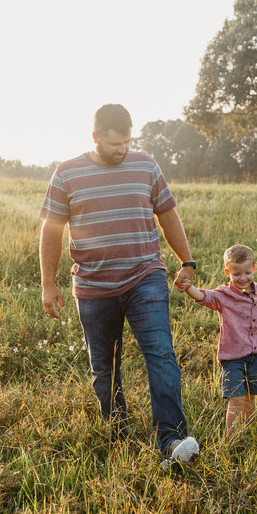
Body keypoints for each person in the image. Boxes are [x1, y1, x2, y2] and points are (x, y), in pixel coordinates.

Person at [39, 103, 200, 467]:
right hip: (93, 286)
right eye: (114, 144)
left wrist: (186, 261)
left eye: (127, 142)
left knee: (160, 353)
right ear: (95, 137)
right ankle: (117, 431)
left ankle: (171, 439)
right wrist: (49, 283)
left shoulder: (146, 165)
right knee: (105, 367)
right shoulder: (66, 174)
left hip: (146, 276)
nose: (122, 150)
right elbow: (51, 231)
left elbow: (168, 215)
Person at [176, 244, 257, 435]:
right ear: (228, 272)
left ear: (254, 269)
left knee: (251, 396)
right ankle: (231, 439)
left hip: (255, 354)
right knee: (236, 397)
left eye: (247, 272)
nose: (242, 278)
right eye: (236, 274)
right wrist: (188, 288)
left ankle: (248, 431)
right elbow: (203, 296)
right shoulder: (223, 296)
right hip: (232, 357)